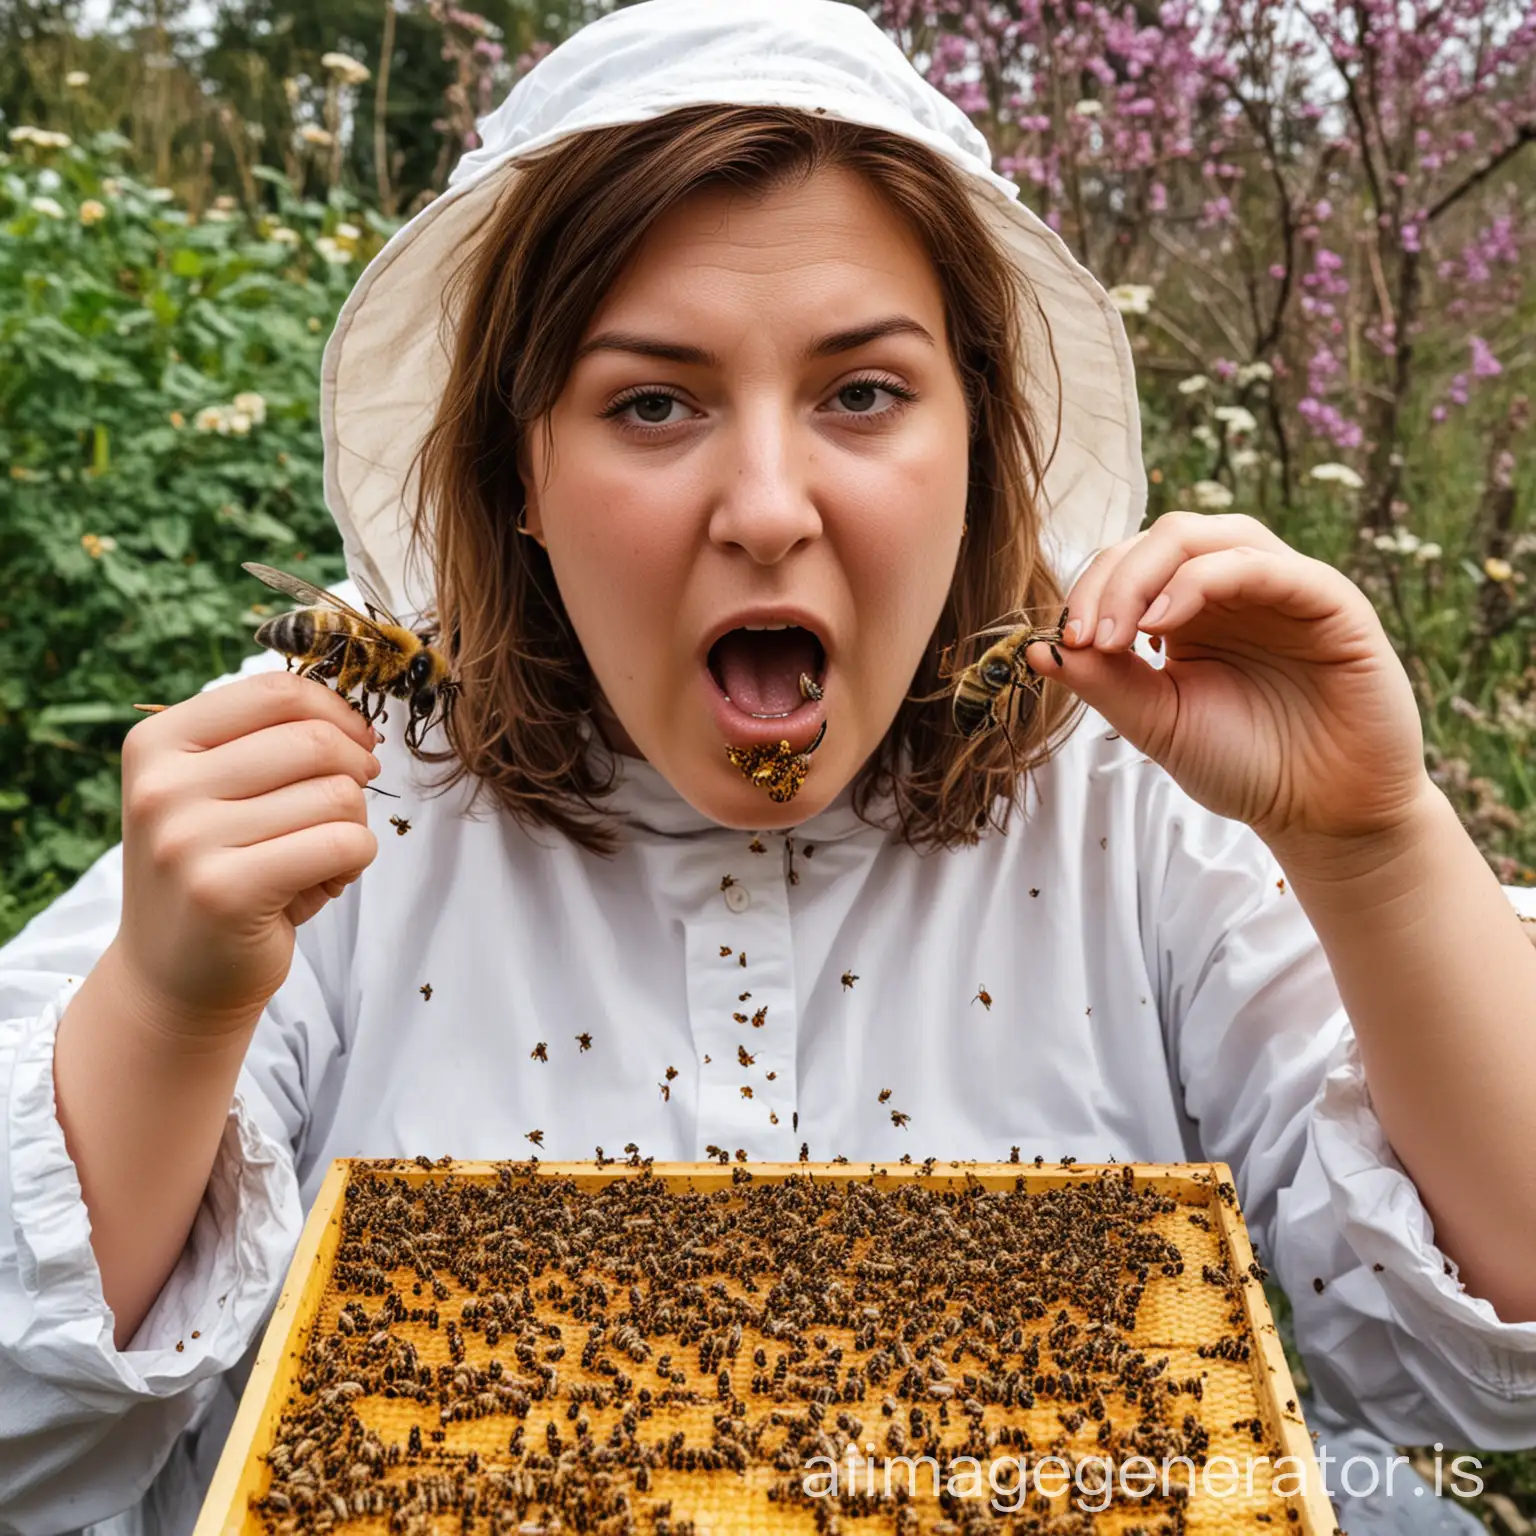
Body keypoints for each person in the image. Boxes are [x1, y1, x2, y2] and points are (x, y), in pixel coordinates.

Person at [2, 2, 1534, 1532]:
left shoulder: (1140, 786)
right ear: (517, 474)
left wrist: (1377, 845)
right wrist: (170, 1000)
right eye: (651, 403)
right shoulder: (327, 771)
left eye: (862, 392)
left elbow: (1489, 1374)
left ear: (980, 442)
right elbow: (25, 1446)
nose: (765, 507)